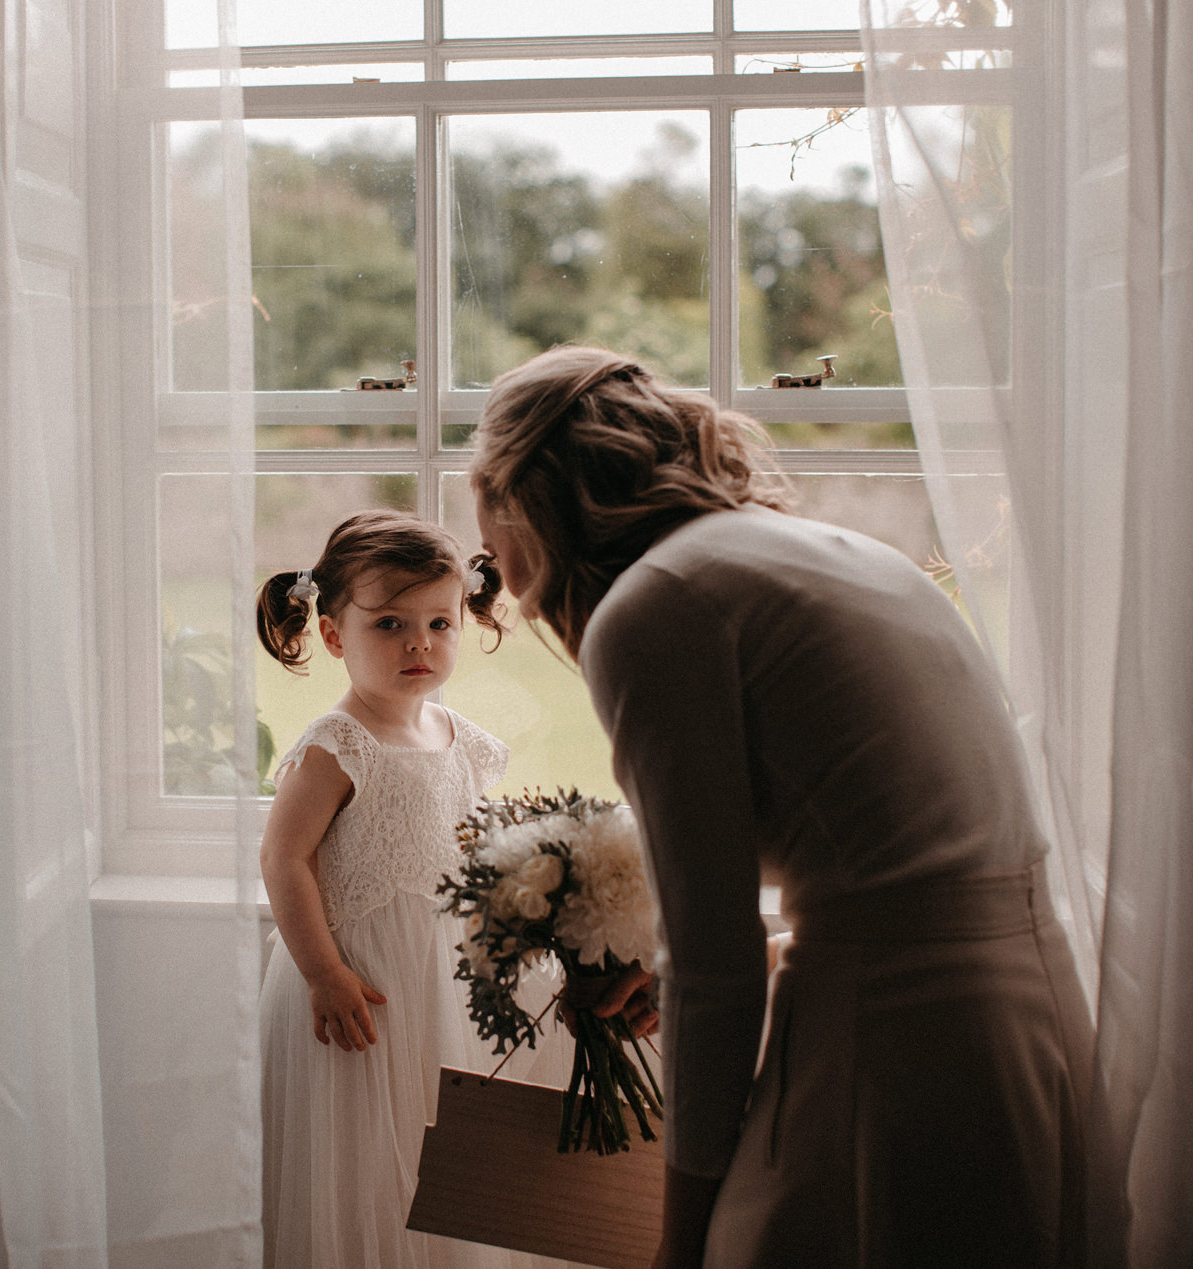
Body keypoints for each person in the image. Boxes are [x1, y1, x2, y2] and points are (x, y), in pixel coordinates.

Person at [468, 347, 1094, 1268]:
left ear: (528, 497)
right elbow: (901, 867)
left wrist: (677, 1244)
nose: (504, 581)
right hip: (1030, 1025)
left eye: (493, 540)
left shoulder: (656, 606)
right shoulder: (839, 554)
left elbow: (712, 967)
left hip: (890, 1055)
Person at [257, 510, 558, 1268]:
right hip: (359, 987)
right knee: (365, 1164)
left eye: (438, 621)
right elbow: (283, 858)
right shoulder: (337, 744)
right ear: (333, 634)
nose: (419, 642)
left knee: (441, 1151)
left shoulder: (460, 738)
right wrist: (324, 973)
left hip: (441, 985)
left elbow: (471, 858)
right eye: (389, 623)